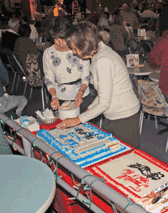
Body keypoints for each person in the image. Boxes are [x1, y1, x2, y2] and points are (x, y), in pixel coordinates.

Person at [56, 21, 140, 149]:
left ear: (84, 44)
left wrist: (78, 119)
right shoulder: (100, 52)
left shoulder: (103, 60)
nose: (73, 52)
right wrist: (89, 109)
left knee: (127, 155)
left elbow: (104, 102)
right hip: (115, 114)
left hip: (124, 116)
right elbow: (103, 93)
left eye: (74, 48)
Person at [43, 17, 93, 114]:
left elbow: (86, 75)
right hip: (60, 96)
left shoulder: (79, 48)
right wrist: (54, 96)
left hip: (82, 94)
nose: (61, 44)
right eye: (57, 40)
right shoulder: (48, 53)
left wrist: (80, 92)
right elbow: (49, 78)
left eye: (64, 40)